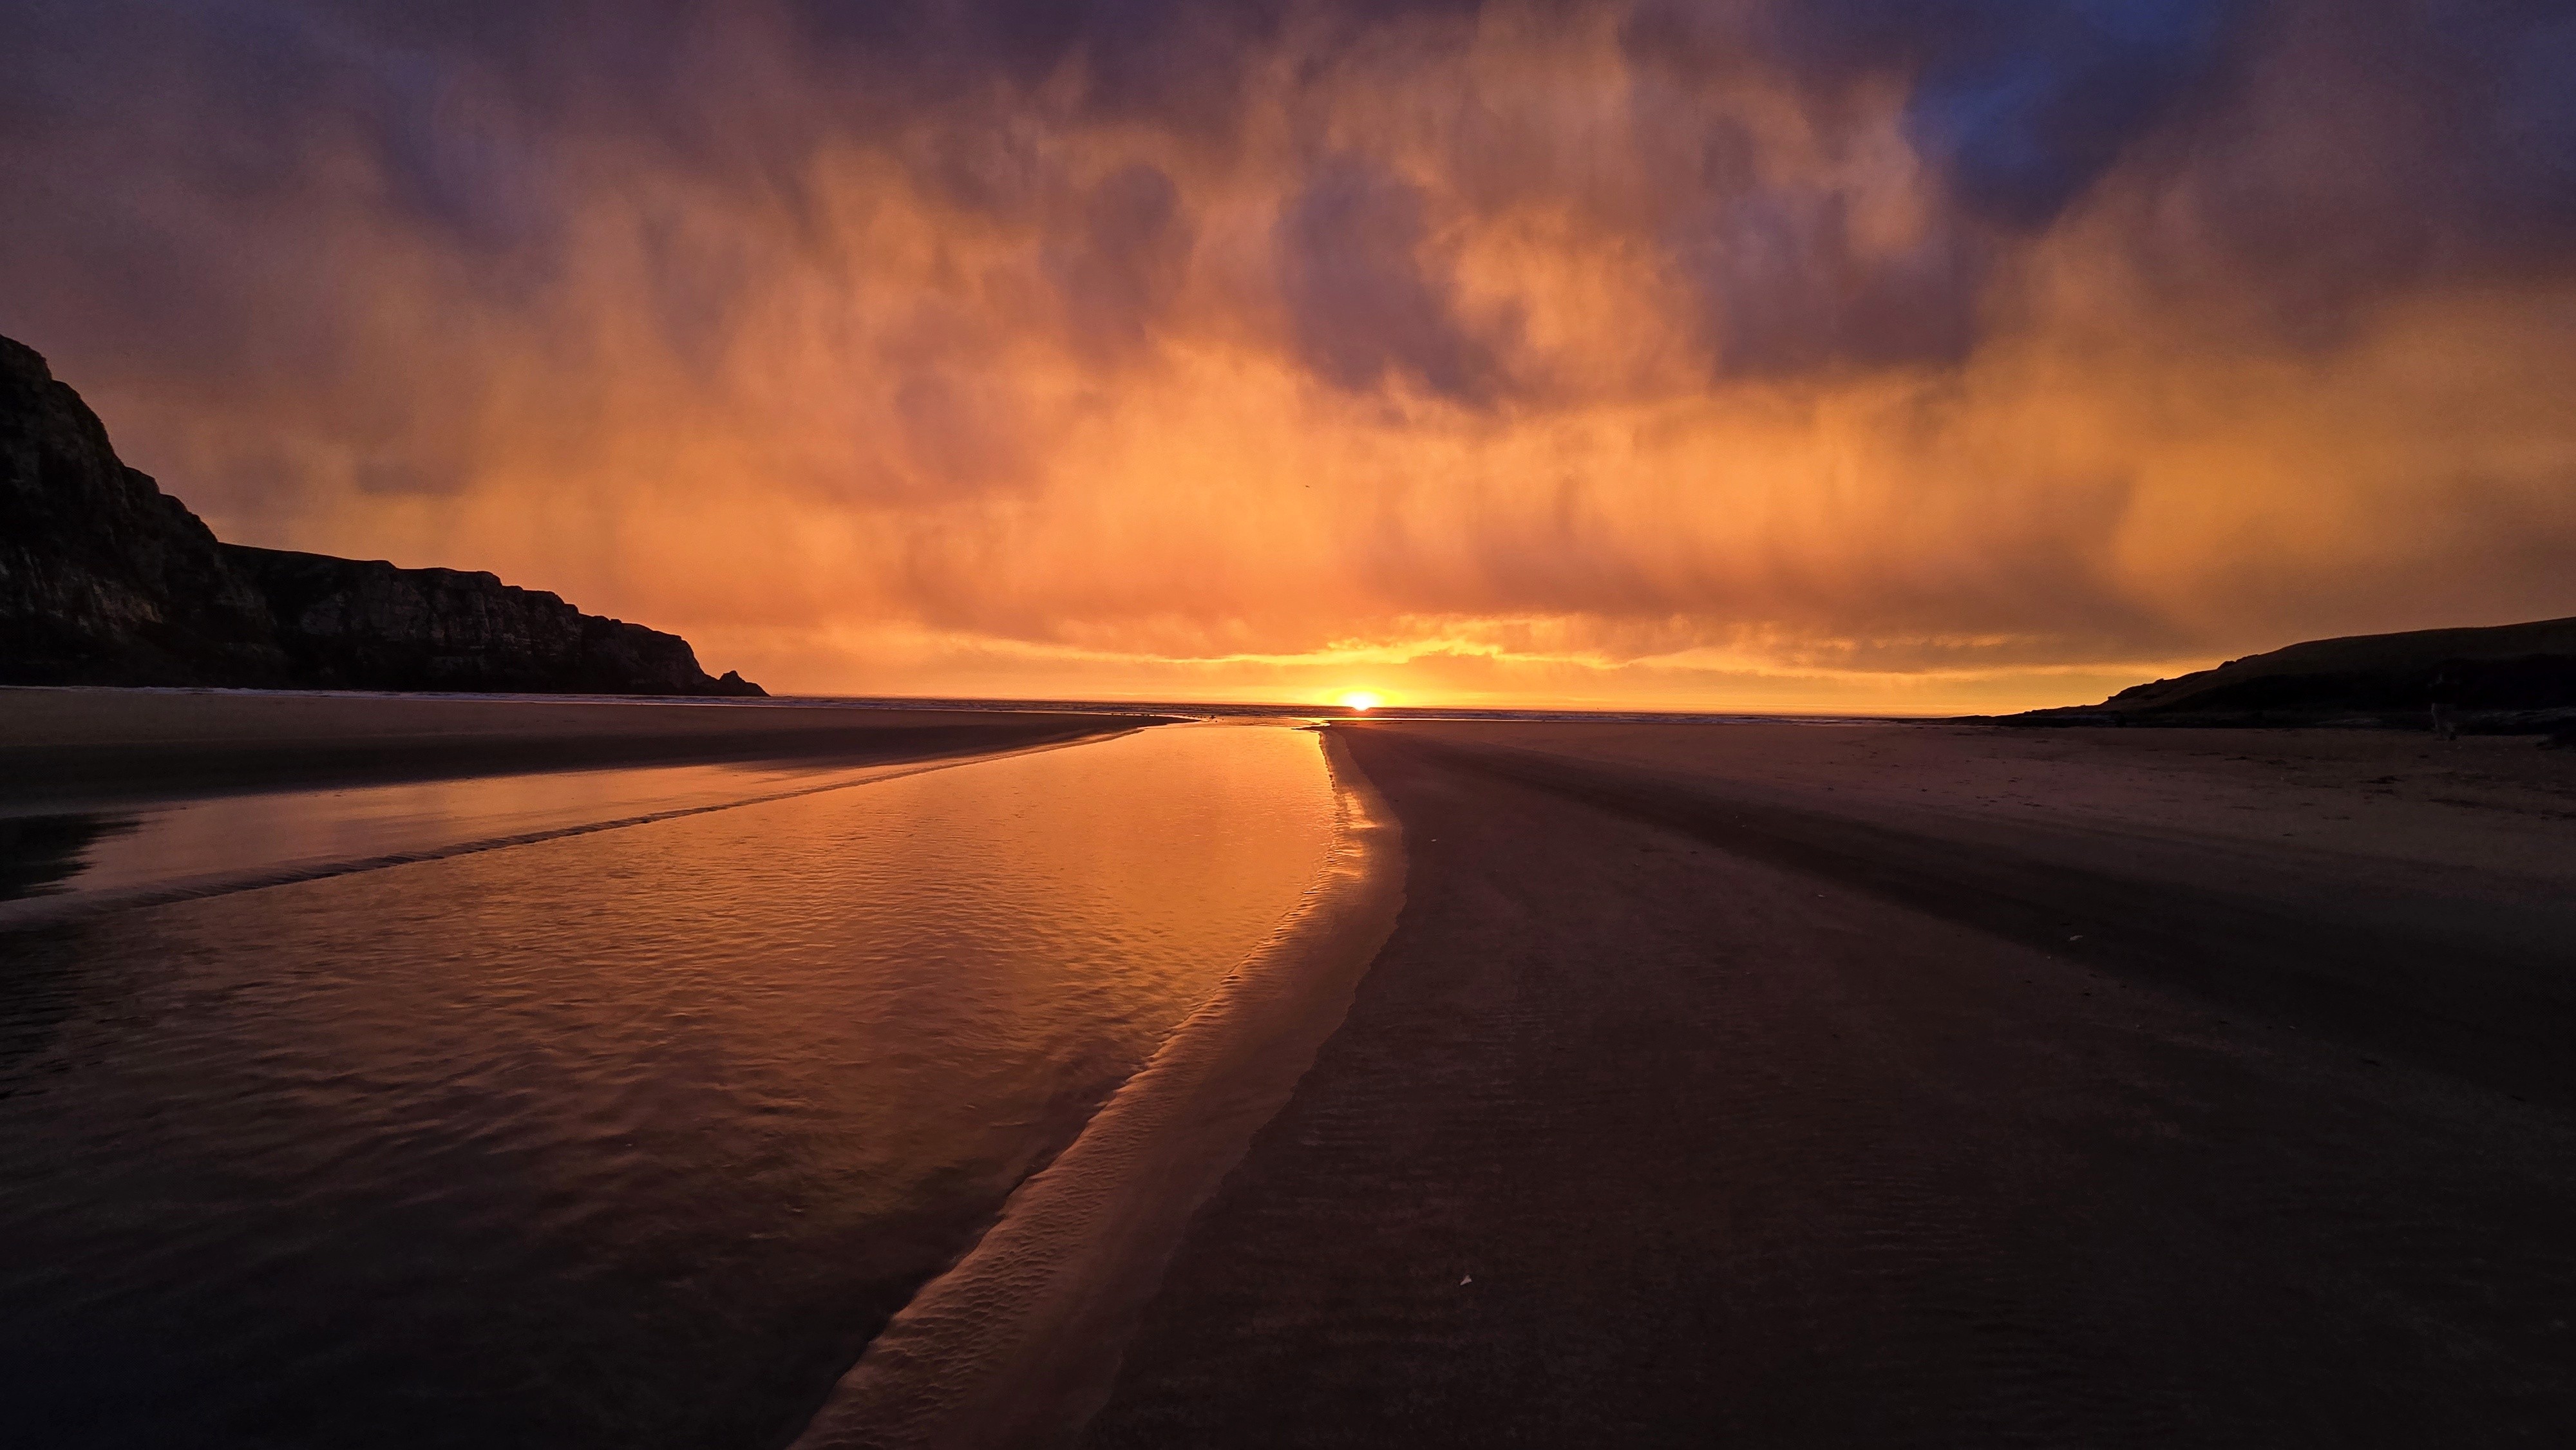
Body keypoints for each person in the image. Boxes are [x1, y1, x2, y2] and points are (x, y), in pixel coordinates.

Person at [2427, 665, 2460, 741]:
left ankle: (2441, 736)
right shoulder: (2453, 686)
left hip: (2438, 703)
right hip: (2450, 704)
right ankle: (2451, 730)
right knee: (2447, 719)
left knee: (2438, 720)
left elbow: (2431, 694)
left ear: (2441, 677)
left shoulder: (2436, 686)